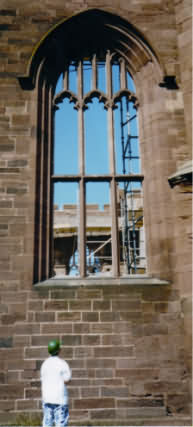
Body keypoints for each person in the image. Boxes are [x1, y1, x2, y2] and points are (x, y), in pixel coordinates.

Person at [40, 340, 72, 427]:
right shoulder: (62, 363)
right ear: (59, 350)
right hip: (60, 398)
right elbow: (67, 379)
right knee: (61, 423)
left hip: (47, 398)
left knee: (47, 423)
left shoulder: (44, 364)